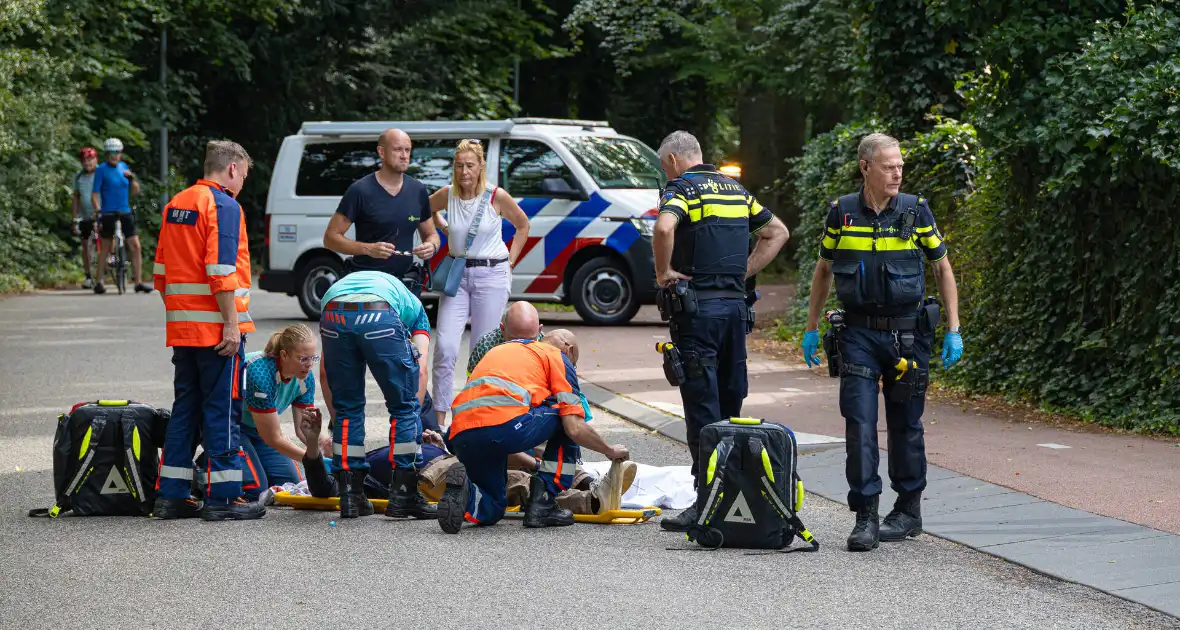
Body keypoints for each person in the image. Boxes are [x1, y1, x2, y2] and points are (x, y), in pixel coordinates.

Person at [800, 132, 964, 552]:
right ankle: (866, 517)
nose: (898, 172)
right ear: (866, 167)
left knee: (906, 424)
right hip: (857, 334)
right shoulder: (842, 212)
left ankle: (908, 511)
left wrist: (953, 328)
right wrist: (811, 326)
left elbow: (942, 267)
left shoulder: (916, 211)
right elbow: (823, 270)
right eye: (889, 165)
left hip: (908, 335)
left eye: (901, 166)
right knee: (859, 423)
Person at [651, 131, 789, 533]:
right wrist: (742, 272)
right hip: (735, 311)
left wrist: (663, 274)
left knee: (702, 408)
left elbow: (664, 229)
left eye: (664, 166)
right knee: (732, 405)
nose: (666, 172)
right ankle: (733, 497)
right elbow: (777, 231)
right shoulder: (736, 191)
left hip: (698, 314)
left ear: (674, 160)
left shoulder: (681, 189)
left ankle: (706, 503)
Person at [151, 140, 263, 521]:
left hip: (184, 330)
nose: (242, 184)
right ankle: (224, 498)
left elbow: (162, 276)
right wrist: (230, 326)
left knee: (186, 410)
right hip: (217, 331)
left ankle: (172, 496)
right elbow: (221, 272)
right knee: (223, 411)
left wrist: (184, 318)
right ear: (232, 169)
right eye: (244, 176)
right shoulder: (224, 206)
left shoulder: (176, 204)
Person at [436, 329, 631, 534]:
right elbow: (574, 427)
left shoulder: (501, 349)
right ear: (569, 349)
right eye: (573, 363)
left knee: (494, 506)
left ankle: (466, 494)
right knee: (565, 414)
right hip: (503, 427)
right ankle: (543, 500)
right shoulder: (556, 356)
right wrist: (609, 450)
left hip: (460, 433)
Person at [429, 139, 531, 430]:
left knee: (482, 351)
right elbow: (425, 210)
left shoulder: (496, 196)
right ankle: (439, 422)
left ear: (480, 167)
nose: (464, 172)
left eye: (470, 165)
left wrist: (510, 262)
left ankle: (475, 418)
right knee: (446, 346)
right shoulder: (447, 195)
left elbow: (523, 225)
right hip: (457, 278)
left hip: (491, 276)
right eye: (459, 165)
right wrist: (445, 229)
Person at [318, 269, 434, 520]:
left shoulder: (339, 288)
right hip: (380, 313)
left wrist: (337, 420)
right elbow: (421, 370)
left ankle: (350, 495)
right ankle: (404, 495)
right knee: (403, 406)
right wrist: (413, 415)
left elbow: (325, 374)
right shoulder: (415, 308)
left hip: (333, 313)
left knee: (348, 410)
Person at [323, 128, 440, 297]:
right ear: (381, 152)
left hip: (406, 286)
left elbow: (431, 234)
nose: (404, 155)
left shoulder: (418, 190)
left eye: (407, 150)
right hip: (367, 285)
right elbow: (330, 238)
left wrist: (431, 246)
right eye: (398, 149)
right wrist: (368, 249)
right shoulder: (360, 190)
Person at [236, 324, 327, 498]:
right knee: (255, 489)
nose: (309, 366)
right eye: (303, 359)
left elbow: (304, 430)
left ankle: (250, 461)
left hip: (257, 429)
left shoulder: (305, 379)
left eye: (312, 358)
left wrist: (322, 444)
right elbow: (273, 438)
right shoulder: (260, 373)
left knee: (290, 483)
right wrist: (314, 462)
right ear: (285, 355)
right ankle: (207, 467)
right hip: (231, 426)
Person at [91, 137, 150, 294]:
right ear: (106, 153)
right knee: (105, 245)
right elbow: (95, 194)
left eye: (116, 152)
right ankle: (99, 282)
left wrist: (132, 180)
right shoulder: (101, 170)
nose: (113, 155)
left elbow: (136, 191)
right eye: (110, 152)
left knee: (136, 245)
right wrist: (97, 209)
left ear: (120, 153)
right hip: (108, 212)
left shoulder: (124, 168)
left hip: (125, 211)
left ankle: (138, 281)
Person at [466, 301, 544, 376]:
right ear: (502, 329)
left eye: (529, 340)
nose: (522, 346)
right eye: (514, 340)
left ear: (539, 330)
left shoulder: (547, 345)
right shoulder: (485, 346)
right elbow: (472, 384)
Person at [72, 147, 99, 288]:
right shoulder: (79, 176)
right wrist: (75, 217)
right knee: (85, 244)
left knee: (107, 236)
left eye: (90, 159)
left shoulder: (102, 173)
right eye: (84, 160)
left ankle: (112, 257)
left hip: (102, 212)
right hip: (85, 215)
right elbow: (76, 197)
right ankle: (88, 275)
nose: (87, 163)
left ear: (96, 160)